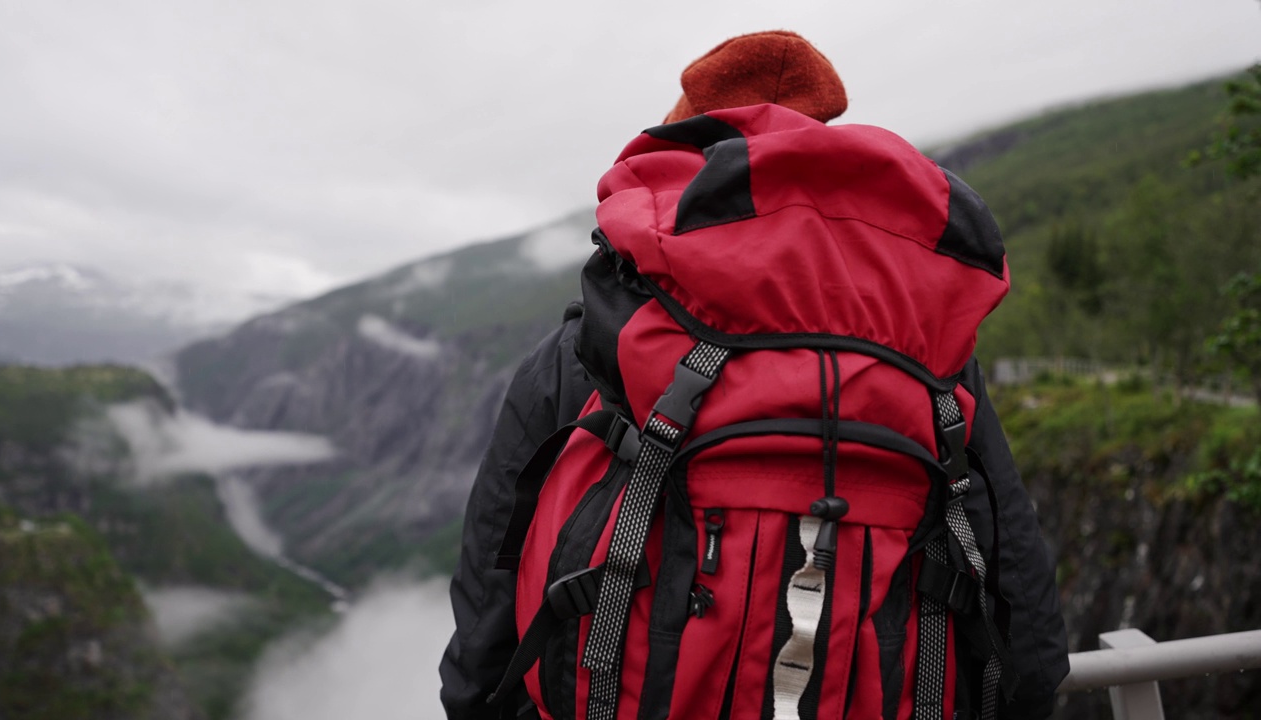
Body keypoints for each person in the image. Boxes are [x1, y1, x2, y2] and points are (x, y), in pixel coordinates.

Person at [440, 30, 1069, 720]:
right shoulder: (929, 353)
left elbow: (490, 613)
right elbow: (1026, 627)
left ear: (682, 148)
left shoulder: (597, 338)